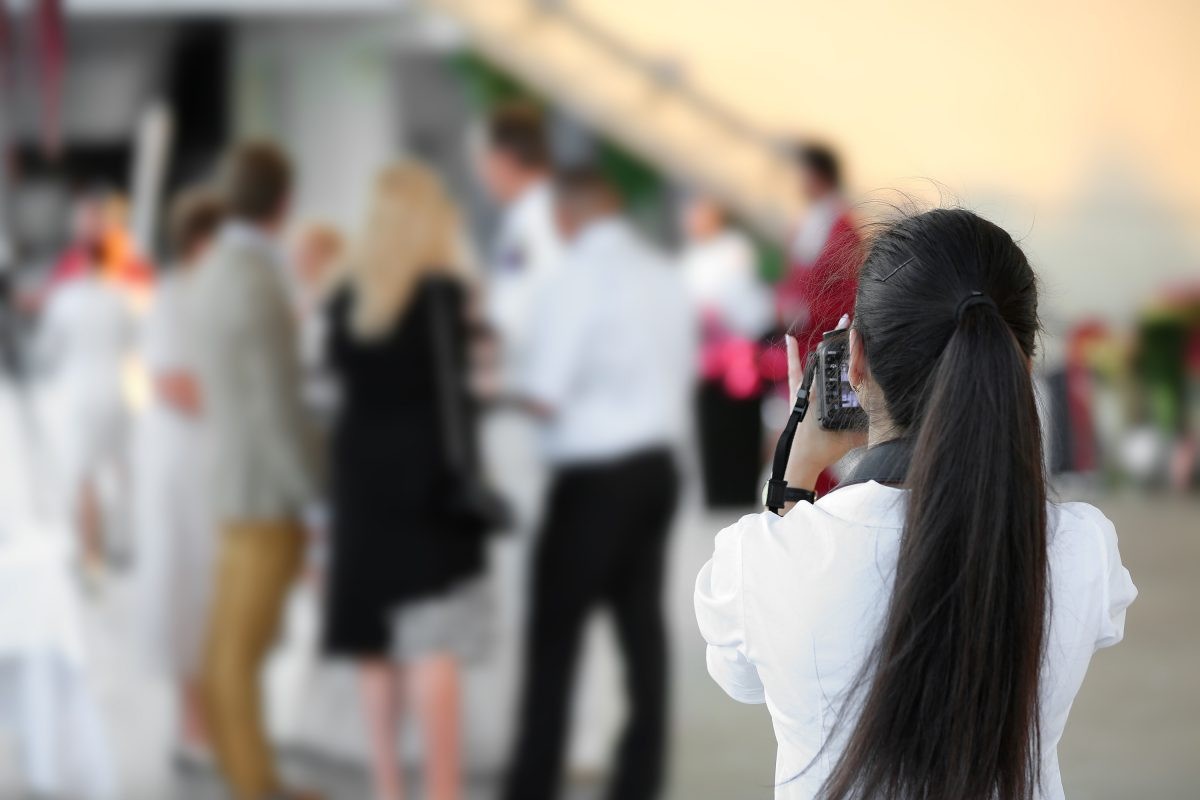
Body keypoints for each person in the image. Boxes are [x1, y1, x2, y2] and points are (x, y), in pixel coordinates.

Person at [695, 209, 1138, 800]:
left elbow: (740, 678)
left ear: (854, 361)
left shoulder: (767, 557)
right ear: (1022, 368)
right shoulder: (1081, 546)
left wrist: (796, 477)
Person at [502, 167, 694, 800]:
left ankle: (532, 784)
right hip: (655, 469)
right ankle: (638, 783)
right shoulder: (664, 275)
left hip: (593, 477)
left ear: (566, 215)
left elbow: (544, 392)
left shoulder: (572, 278)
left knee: (554, 637)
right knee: (641, 632)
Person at [321, 162, 490, 800]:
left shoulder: (344, 296)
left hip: (361, 481)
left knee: (374, 641)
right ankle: (442, 791)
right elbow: (459, 400)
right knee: (431, 641)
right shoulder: (443, 295)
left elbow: (337, 388)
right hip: (429, 483)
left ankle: (389, 788)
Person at [189, 142, 320, 800]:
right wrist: (317, 498)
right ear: (285, 202)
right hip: (267, 492)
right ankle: (254, 787)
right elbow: (276, 407)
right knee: (242, 653)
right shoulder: (259, 280)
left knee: (231, 647)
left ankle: (251, 775)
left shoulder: (213, 268)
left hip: (232, 481)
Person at [132, 187, 224, 767]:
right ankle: (192, 727)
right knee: (185, 585)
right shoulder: (172, 296)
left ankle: (219, 721)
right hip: (183, 456)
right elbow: (171, 381)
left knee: (216, 591)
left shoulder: (218, 293)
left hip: (212, 455)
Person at [35, 233, 136, 579]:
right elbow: (133, 343)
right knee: (122, 473)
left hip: (79, 396)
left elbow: (47, 350)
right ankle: (121, 546)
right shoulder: (121, 298)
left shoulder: (65, 299)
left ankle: (90, 552)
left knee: (85, 478)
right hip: (116, 394)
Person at [680, 195, 773, 507]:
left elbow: (743, 302)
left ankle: (738, 490)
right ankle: (718, 492)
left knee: (740, 428)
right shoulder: (692, 257)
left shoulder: (734, 249)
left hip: (736, 355)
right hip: (706, 358)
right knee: (713, 428)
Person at [777, 143, 861, 353]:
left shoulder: (842, 227)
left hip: (822, 339)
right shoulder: (805, 221)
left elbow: (848, 293)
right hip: (797, 333)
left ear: (819, 176)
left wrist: (805, 312)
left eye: (803, 173)